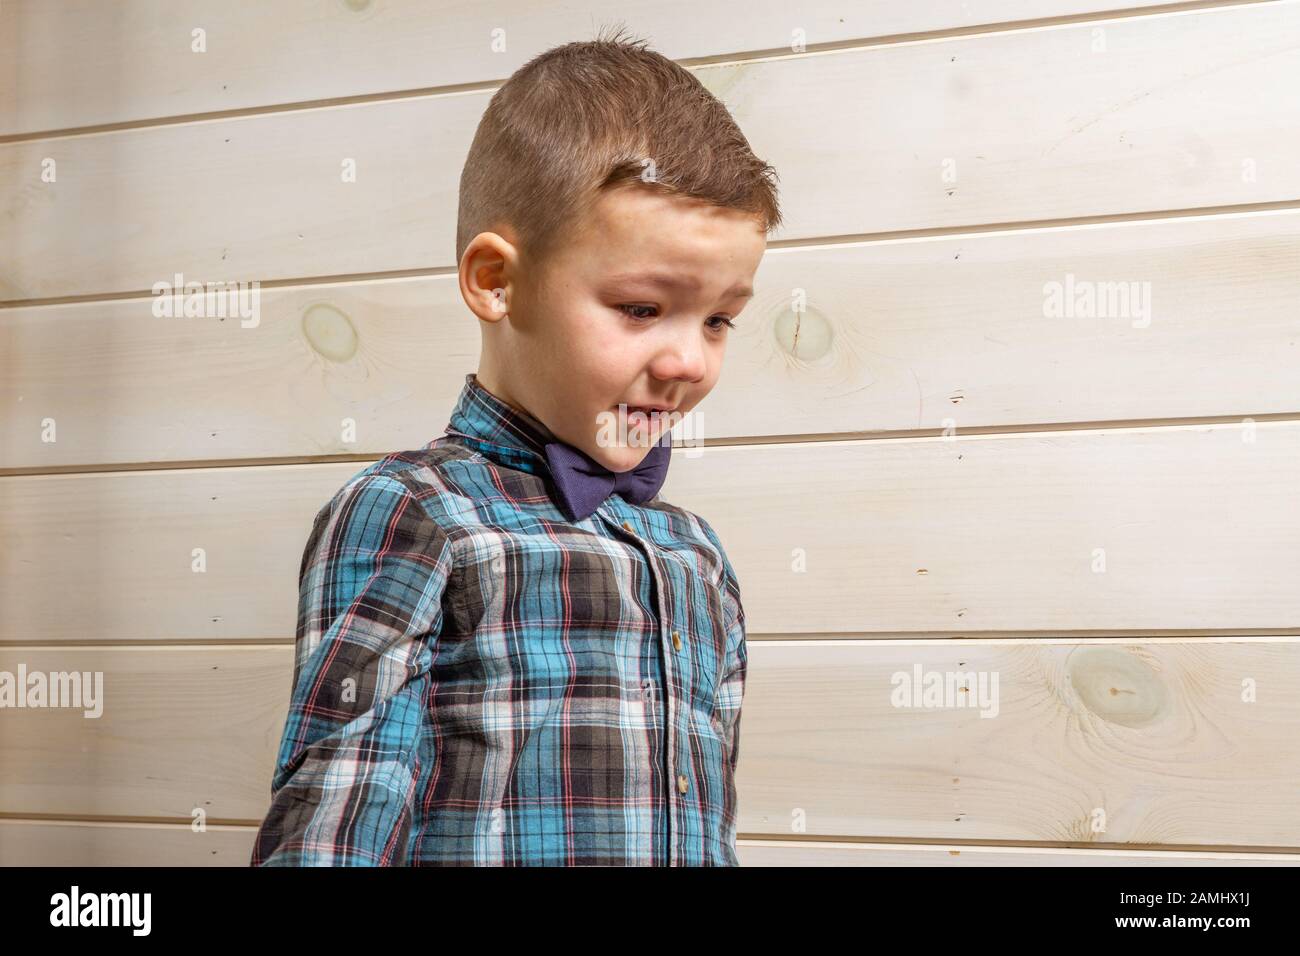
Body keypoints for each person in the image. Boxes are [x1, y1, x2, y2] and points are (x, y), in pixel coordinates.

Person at [251, 25, 781, 866]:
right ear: (497, 281)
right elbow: (336, 826)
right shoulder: (414, 513)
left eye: (719, 319)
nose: (688, 360)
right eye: (643, 308)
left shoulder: (697, 558)